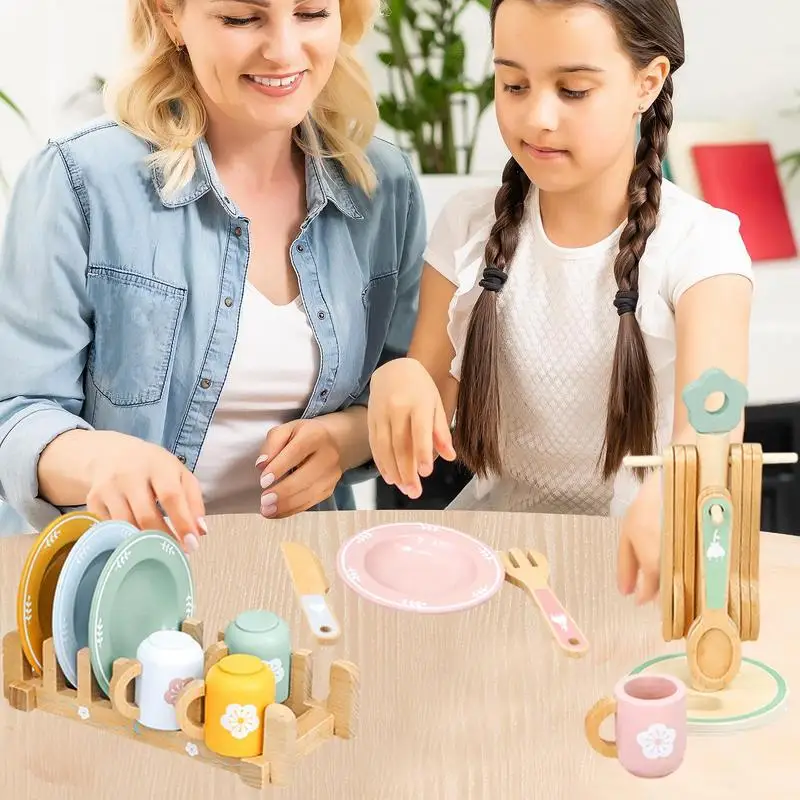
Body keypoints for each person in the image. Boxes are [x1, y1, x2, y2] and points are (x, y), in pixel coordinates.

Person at [0, 0, 426, 550]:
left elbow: (402, 389)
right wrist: (100, 459)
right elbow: (15, 417)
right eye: (241, 18)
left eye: (312, 13)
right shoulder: (81, 181)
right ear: (172, 16)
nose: (283, 50)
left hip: (296, 582)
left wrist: (344, 439)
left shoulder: (382, 187)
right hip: (110, 584)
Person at [366, 0, 753, 604]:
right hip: (494, 567)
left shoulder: (702, 248)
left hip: (640, 574)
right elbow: (432, 398)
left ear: (647, 83)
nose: (537, 117)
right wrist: (400, 382)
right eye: (513, 84)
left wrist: (682, 488)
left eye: (573, 90)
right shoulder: (468, 224)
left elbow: (714, 432)